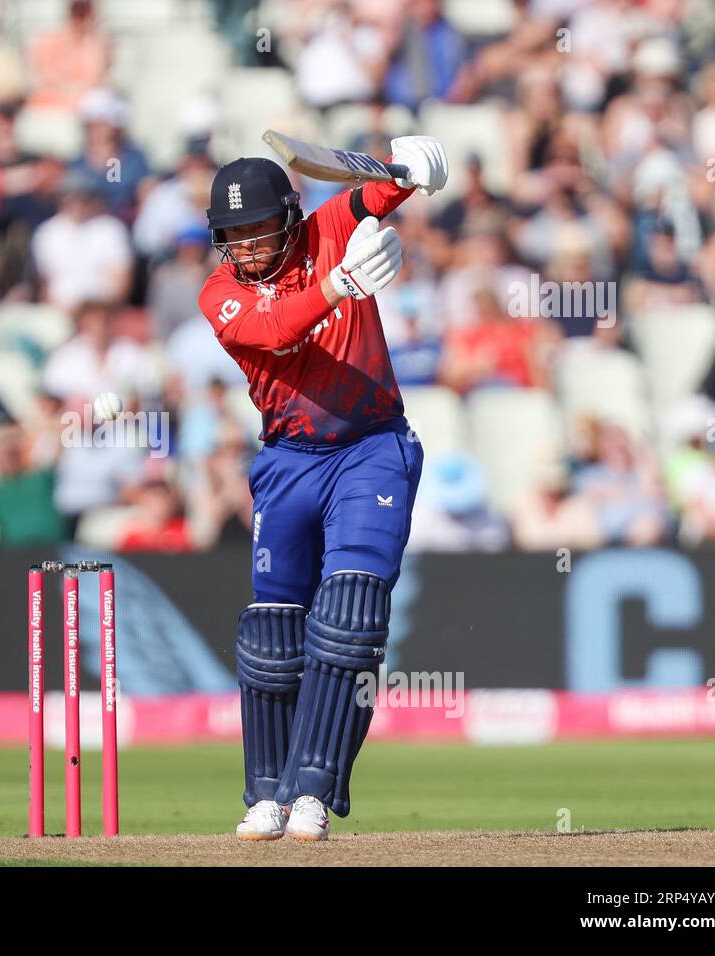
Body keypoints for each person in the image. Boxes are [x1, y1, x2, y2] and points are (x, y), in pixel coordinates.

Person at [196, 136, 448, 841]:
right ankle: (266, 793)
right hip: (287, 462)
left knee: (350, 619)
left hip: (372, 447)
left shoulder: (328, 228)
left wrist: (420, 170)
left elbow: (378, 194)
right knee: (273, 637)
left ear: (289, 218)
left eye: (257, 231)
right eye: (232, 237)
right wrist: (339, 285)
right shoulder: (218, 295)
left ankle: (312, 790)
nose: (246, 248)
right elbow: (277, 330)